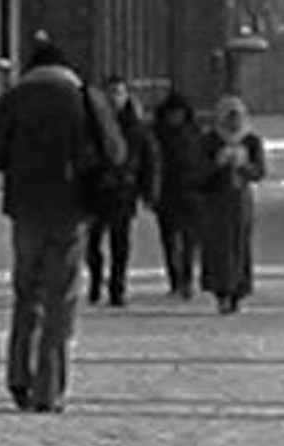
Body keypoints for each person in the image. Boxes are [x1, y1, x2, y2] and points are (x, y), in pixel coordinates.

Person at [0, 34, 113, 411]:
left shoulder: (13, 100)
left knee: (26, 293)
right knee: (60, 299)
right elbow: (115, 151)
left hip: (26, 208)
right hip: (72, 208)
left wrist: (21, 160)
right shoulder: (85, 98)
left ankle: (19, 375)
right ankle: (49, 387)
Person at [184, 89, 264, 312]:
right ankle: (221, 291)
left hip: (241, 201)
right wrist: (216, 164)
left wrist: (244, 166)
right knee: (218, 247)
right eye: (229, 115)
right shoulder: (209, 140)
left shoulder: (250, 140)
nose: (233, 120)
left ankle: (238, 290)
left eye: (237, 115)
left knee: (240, 245)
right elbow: (197, 172)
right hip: (215, 202)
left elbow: (260, 171)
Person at [82, 81, 153, 306]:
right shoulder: (92, 123)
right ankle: (95, 281)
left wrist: (147, 188)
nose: (115, 98)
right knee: (93, 241)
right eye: (110, 92)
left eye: (119, 93)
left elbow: (149, 158)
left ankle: (117, 287)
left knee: (120, 242)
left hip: (124, 190)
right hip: (96, 188)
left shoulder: (136, 125)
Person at [147, 76, 215, 302]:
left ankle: (185, 279)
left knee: (188, 241)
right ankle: (176, 279)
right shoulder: (157, 134)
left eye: (178, 113)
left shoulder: (195, 134)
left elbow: (206, 161)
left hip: (191, 192)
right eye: (171, 113)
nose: (175, 117)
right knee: (171, 240)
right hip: (168, 192)